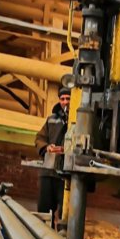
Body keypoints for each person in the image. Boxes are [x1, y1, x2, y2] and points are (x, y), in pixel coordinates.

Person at [34, 87, 70, 219]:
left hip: (66, 174)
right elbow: (39, 138)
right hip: (48, 172)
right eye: (62, 99)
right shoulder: (51, 120)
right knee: (44, 211)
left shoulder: (78, 120)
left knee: (65, 213)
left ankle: (61, 235)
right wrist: (47, 147)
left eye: (68, 99)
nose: (65, 102)